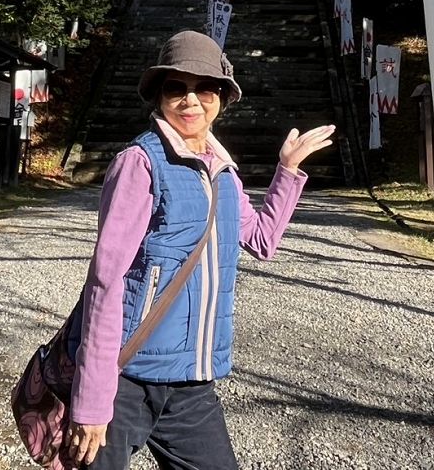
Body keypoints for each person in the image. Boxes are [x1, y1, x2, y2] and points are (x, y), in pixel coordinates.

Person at [63, 29, 335, 468]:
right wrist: (92, 401)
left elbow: (261, 240)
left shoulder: (223, 171)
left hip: (191, 382)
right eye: (177, 88)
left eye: (205, 87)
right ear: (159, 96)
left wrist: (287, 170)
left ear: (223, 98)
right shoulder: (140, 163)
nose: (191, 100)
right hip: (126, 378)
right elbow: (105, 282)